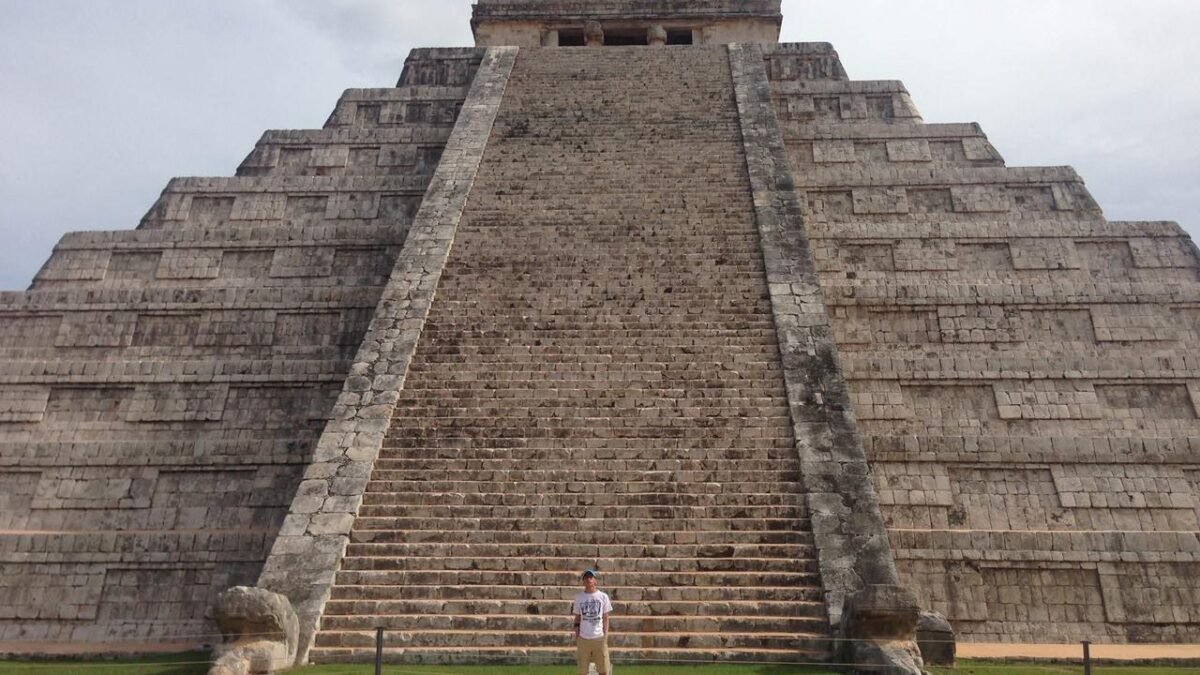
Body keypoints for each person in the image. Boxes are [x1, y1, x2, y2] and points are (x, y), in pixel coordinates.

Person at [571, 569, 613, 675]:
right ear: (583, 582)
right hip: (583, 638)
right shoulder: (579, 597)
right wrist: (577, 634)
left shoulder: (603, 597)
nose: (588, 579)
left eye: (591, 577)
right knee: (582, 670)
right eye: (586, 578)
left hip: (599, 637)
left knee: (603, 670)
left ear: (595, 581)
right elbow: (577, 618)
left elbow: (606, 618)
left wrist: (605, 636)